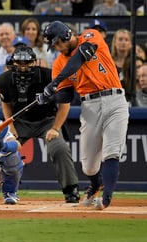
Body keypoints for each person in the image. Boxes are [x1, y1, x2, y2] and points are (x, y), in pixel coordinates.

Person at [37, 20, 129, 210]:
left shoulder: (90, 35)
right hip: (90, 106)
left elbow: (79, 58)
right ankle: (96, 184)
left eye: (57, 42)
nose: (56, 47)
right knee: (88, 166)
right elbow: (65, 96)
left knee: (111, 152)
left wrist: (55, 82)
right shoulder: (58, 63)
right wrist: (49, 97)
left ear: (66, 35)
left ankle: (106, 199)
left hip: (115, 99)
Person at [0, 45, 80, 203]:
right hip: (19, 121)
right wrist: (11, 126)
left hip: (47, 120)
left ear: (34, 62)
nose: (23, 67)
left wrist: (55, 128)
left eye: (27, 63)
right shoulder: (4, 80)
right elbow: (5, 103)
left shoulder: (49, 76)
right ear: (12, 63)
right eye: (19, 63)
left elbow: (65, 103)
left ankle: (71, 189)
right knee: (3, 147)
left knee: (59, 147)